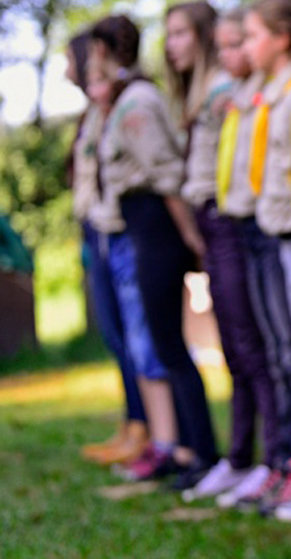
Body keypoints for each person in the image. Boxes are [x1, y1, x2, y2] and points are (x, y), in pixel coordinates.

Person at [91, 13, 218, 486]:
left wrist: (189, 234)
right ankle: (185, 449)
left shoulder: (138, 101)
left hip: (158, 225)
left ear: (102, 52)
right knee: (162, 345)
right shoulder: (125, 101)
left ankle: (199, 451)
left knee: (168, 344)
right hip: (143, 223)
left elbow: (165, 173)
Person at [165, 1, 278, 500]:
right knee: (234, 346)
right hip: (216, 221)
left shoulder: (227, 94)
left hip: (233, 220)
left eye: (182, 33)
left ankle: (270, 457)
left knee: (251, 344)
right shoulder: (211, 93)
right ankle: (241, 456)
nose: (172, 46)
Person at [237, 0, 291, 513]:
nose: (247, 48)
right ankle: (289, 457)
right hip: (264, 227)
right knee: (281, 354)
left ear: (282, 39)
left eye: (252, 36)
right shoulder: (265, 92)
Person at [71, 29, 151, 467]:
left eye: (75, 59)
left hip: (123, 228)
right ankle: (132, 423)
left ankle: (144, 427)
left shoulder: (131, 103)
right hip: (100, 229)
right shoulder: (95, 112)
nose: (72, 69)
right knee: (118, 336)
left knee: (134, 338)